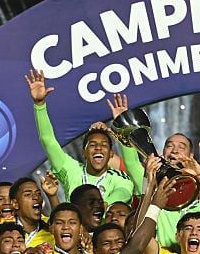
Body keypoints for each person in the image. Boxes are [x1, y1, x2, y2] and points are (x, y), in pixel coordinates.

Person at [27, 70, 135, 205]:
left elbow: (123, 193)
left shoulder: (120, 178)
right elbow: (48, 141)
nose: (98, 148)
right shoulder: (71, 170)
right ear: (83, 153)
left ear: (111, 154)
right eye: (92, 144)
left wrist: (123, 126)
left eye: (104, 145)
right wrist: (39, 104)